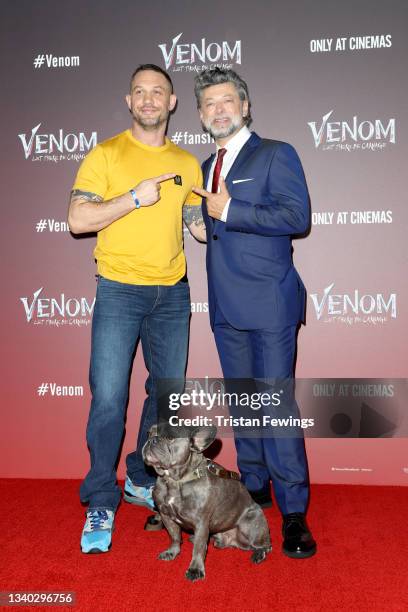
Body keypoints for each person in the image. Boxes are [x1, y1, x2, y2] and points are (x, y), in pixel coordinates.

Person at [68, 64, 205, 554]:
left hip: (172, 294)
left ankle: (139, 478)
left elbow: (198, 226)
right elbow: (78, 219)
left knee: (164, 398)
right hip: (119, 290)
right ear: (129, 101)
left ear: (172, 103)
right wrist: (132, 198)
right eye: (140, 92)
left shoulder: (187, 163)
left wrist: (226, 210)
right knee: (108, 399)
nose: (149, 100)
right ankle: (101, 497)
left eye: (159, 93)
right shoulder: (105, 153)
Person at [192, 68, 316, 558]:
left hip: (269, 303)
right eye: (210, 103)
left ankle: (292, 513)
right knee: (244, 404)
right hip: (226, 306)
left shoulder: (276, 153)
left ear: (245, 107)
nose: (219, 109)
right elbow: (214, 234)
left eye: (228, 101)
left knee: (276, 406)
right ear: (200, 115)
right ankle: (256, 487)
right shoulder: (206, 165)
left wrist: (231, 211)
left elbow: (296, 217)